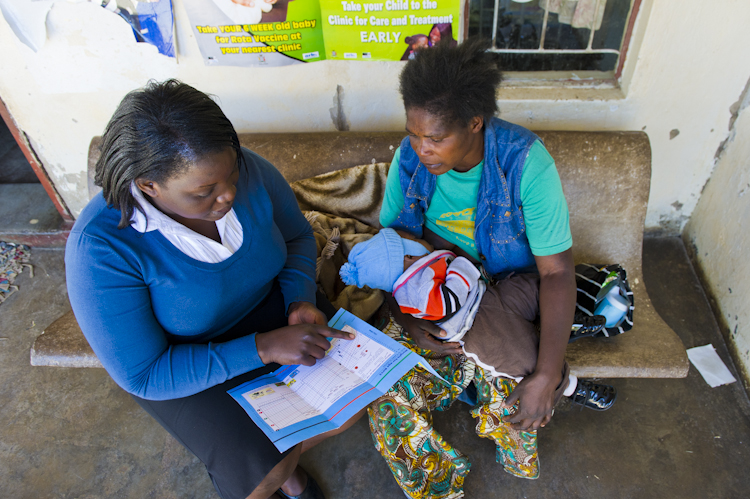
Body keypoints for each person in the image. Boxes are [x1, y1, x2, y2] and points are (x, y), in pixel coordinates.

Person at [65, 79, 359, 499]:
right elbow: (144, 373)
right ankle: (281, 473)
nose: (228, 195)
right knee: (259, 474)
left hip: (275, 310)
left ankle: (288, 465)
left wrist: (300, 298)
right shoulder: (100, 248)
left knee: (346, 406)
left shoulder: (249, 171)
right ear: (149, 185)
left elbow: (296, 238)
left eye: (231, 175)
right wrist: (263, 347)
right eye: (204, 192)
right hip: (182, 361)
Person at [368, 39, 617, 497]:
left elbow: (557, 274)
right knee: (386, 399)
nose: (422, 148)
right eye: (414, 134)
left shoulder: (525, 163)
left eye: (436, 138)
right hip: (437, 292)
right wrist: (406, 317)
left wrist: (545, 374)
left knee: (520, 387)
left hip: (506, 292)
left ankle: (550, 389)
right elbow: (393, 247)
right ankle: (441, 489)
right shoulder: (410, 160)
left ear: (475, 123)